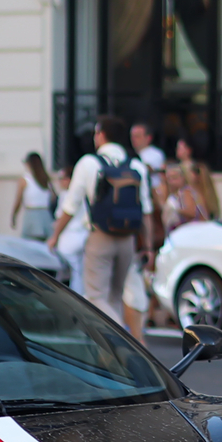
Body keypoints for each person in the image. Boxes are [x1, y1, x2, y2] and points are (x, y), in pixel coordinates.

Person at [52, 116, 156, 331]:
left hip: (100, 237)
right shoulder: (136, 165)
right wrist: (148, 246)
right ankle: (113, 355)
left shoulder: (89, 163)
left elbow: (71, 206)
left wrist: (55, 236)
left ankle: (121, 339)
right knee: (115, 297)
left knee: (95, 297)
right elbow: (146, 212)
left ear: (100, 135)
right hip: (127, 239)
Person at [13, 152, 56, 242]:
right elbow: (53, 197)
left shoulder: (25, 179)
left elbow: (18, 200)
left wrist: (14, 215)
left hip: (32, 215)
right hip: (46, 215)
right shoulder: (45, 179)